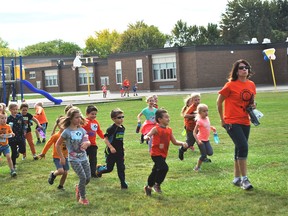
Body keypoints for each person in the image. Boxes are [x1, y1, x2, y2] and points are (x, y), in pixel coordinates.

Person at [216, 59, 256, 190]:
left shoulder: (251, 84)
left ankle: (236, 178)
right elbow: (219, 102)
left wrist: (253, 106)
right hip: (232, 121)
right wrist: (223, 119)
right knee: (243, 146)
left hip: (245, 120)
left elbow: (251, 102)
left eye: (246, 67)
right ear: (236, 71)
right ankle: (244, 179)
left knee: (239, 148)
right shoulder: (230, 85)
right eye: (241, 68)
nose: (244, 69)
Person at [143, 108, 188, 196]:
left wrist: (182, 143)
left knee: (155, 171)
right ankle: (157, 184)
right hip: (155, 154)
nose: (168, 119)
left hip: (163, 154)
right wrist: (146, 137)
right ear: (159, 119)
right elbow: (147, 135)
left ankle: (148, 187)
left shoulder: (169, 130)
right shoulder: (156, 129)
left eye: (169, 117)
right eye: (166, 117)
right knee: (164, 168)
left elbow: (174, 142)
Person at [56, 107, 91, 205]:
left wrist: (87, 143)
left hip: (84, 157)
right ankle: (82, 198)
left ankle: (78, 188)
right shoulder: (66, 132)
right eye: (76, 117)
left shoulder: (82, 130)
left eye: (80, 117)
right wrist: (62, 157)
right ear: (70, 119)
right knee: (83, 177)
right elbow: (57, 144)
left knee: (88, 178)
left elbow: (87, 140)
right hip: (74, 159)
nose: (79, 119)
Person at [96, 108, 128, 189]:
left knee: (121, 167)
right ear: (113, 119)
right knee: (109, 168)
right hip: (111, 152)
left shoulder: (122, 128)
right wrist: (111, 147)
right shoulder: (111, 128)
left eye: (122, 117)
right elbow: (105, 139)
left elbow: (120, 139)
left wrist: (122, 147)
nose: (121, 119)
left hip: (119, 151)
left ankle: (123, 183)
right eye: (119, 117)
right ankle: (100, 169)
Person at [82, 105, 104, 178]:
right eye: (92, 114)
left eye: (95, 114)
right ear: (87, 114)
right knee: (84, 159)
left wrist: (104, 137)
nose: (94, 115)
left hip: (93, 144)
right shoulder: (84, 122)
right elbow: (80, 131)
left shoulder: (96, 122)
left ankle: (93, 173)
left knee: (93, 160)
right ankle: (83, 172)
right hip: (84, 145)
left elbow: (99, 131)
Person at [193, 104, 216, 172]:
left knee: (210, 153)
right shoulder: (199, 121)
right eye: (204, 111)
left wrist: (212, 128)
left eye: (207, 111)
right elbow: (194, 132)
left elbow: (206, 126)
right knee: (203, 155)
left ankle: (201, 160)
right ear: (199, 112)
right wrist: (198, 141)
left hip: (206, 140)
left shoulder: (207, 118)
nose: (206, 113)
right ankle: (197, 167)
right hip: (201, 140)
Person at [178, 93, 201, 160]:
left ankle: (204, 157)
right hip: (191, 128)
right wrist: (194, 116)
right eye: (195, 100)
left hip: (197, 127)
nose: (197, 101)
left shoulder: (199, 106)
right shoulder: (192, 107)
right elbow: (185, 115)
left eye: (198, 99)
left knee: (201, 142)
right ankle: (181, 149)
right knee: (190, 143)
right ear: (192, 101)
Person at [0, 112, 16, 177]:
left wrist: (12, 134)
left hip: (5, 146)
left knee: (9, 158)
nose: (4, 120)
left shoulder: (8, 126)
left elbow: (11, 132)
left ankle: (12, 170)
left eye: (5, 118)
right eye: (2, 118)